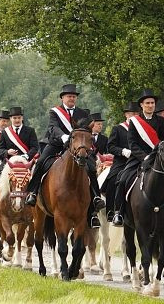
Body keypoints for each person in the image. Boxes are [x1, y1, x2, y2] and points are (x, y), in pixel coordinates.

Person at [25, 84, 106, 215]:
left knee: (91, 166)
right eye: (69, 96)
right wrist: (63, 136)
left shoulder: (83, 113)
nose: (71, 98)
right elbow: (53, 127)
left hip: (78, 147)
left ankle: (96, 197)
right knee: (40, 162)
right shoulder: (54, 112)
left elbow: (87, 130)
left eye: (74, 96)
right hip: (57, 144)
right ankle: (33, 192)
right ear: (62, 98)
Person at [110, 89, 164, 227]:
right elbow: (132, 143)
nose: (150, 105)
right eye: (147, 103)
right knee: (122, 179)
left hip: (159, 158)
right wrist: (145, 156)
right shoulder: (134, 122)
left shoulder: (160, 120)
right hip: (138, 158)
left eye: (152, 103)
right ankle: (118, 212)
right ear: (142, 105)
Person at [105, 102, 139, 225]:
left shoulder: (141, 129)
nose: (134, 116)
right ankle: (113, 211)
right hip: (122, 161)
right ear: (126, 115)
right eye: (131, 114)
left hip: (138, 160)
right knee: (114, 179)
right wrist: (123, 151)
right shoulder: (118, 129)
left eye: (136, 114)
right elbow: (110, 147)